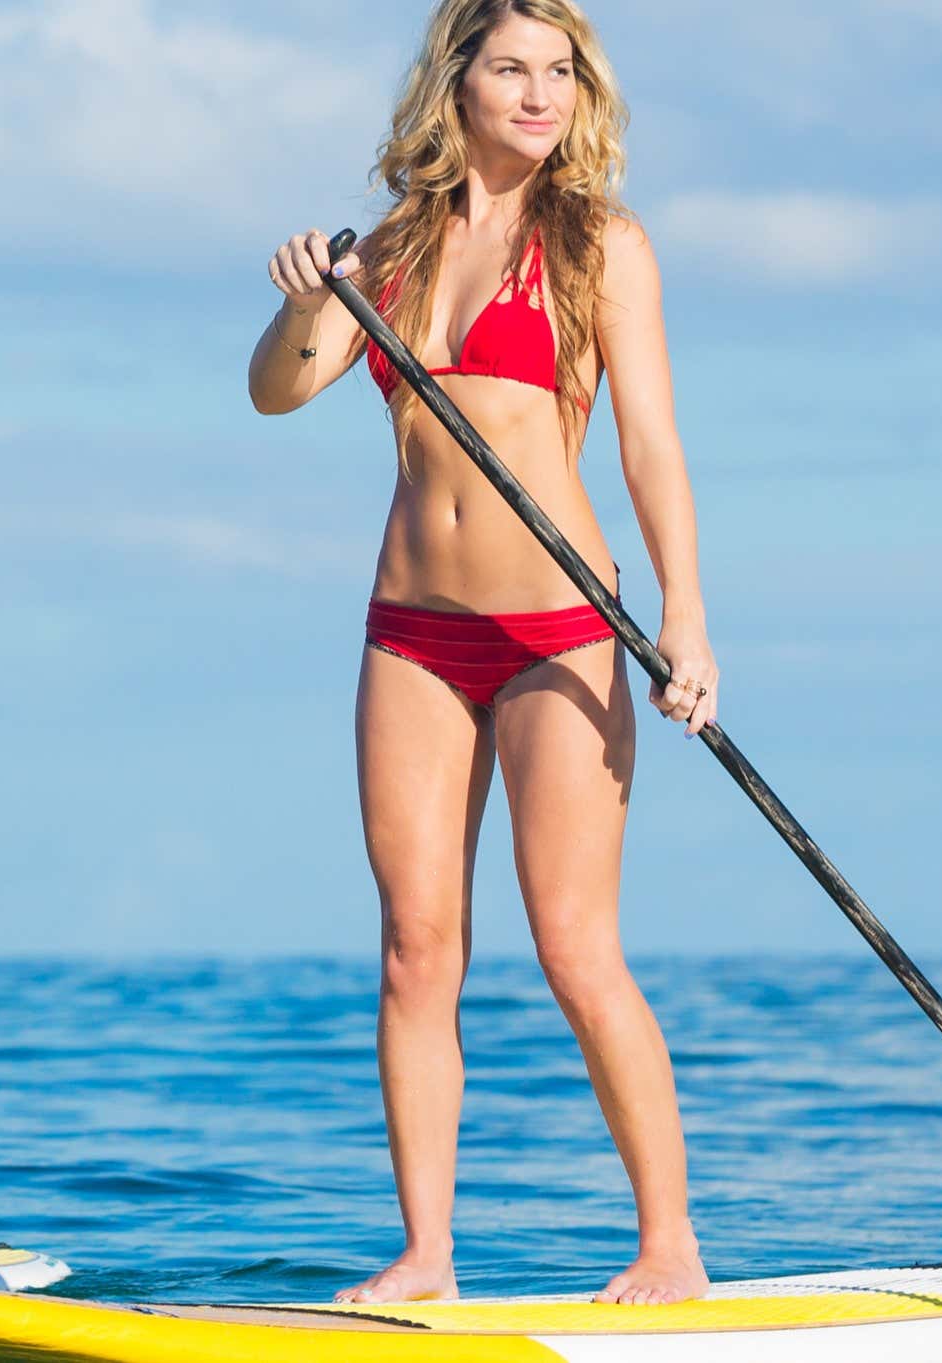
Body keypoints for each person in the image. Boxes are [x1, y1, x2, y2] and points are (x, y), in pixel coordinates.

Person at [243, 0, 718, 1307]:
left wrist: (684, 611)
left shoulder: (600, 245)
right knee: (415, 944)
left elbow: (650, 445)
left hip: (560, 626)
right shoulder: (387, 247)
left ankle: (670, 1241)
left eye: (557, 71)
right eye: (510, 67)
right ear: (456, 82)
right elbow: (279, 388)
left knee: (573, 939)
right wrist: (305, 303)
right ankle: (427, 1255)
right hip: (412, 628)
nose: (537, 92)